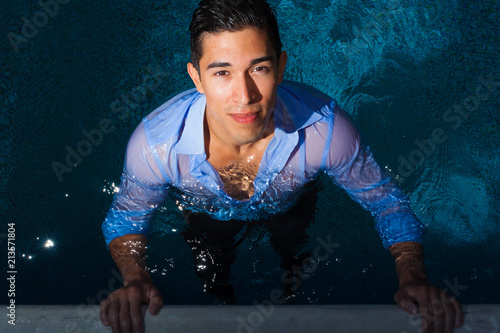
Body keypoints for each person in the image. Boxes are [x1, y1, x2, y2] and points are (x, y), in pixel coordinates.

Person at [99, 0, 464, 332]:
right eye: (222, 73)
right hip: (204, 210)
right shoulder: (156, 145)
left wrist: (411, 273)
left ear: (282, 66)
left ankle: (291, 282)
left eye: (258, 68)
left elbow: (386, 202)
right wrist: (135, 277)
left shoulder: (325, 131)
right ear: (196, 78)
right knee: (212, 271)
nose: (244, 97)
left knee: (295, 258)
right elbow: (127, 218)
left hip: (292, 201)